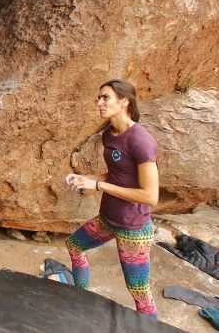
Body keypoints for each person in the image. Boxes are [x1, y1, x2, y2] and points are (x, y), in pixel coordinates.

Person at [64, 79, 160, 319]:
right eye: (98, 98)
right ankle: (80, 298)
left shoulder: (141, 141)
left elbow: (150, 196)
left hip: (133, 229)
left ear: (124, 101)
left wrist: (97, 185)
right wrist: (84, 179)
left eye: (105, 97)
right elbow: (117, 175)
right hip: (108, 219)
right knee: (74, 245)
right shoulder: (109, 134)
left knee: (139, 291)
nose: (99, 103)